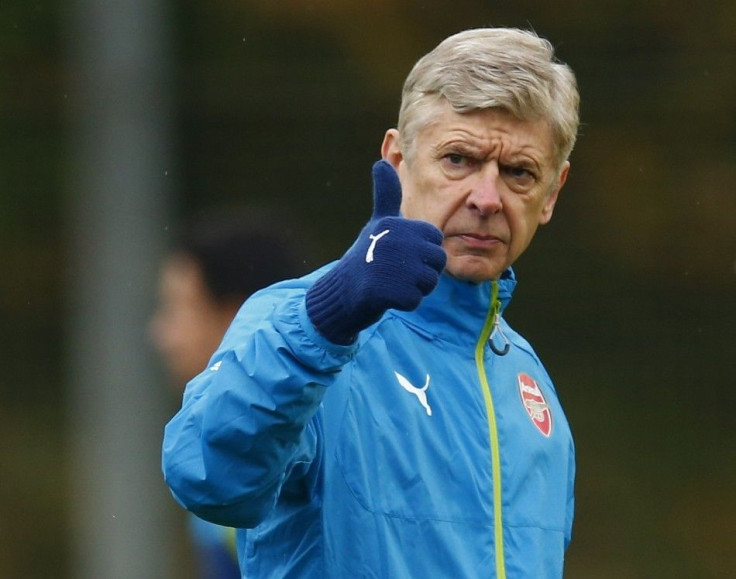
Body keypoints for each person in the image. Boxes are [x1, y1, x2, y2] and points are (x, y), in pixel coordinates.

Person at [162, 27, 580, 578]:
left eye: (518, 172)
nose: (486, 198)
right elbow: (209, 478)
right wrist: (327, 318)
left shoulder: (530, 383)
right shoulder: (306, 322)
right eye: (458, 159)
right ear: (397, 158)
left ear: (551, 193)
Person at [150, 208, 304, 578]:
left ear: (237, 315)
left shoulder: (278, 456)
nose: (160, 335)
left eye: (176, 307)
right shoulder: (223, 445)